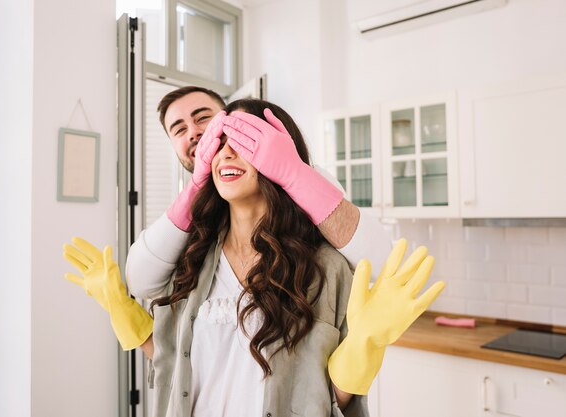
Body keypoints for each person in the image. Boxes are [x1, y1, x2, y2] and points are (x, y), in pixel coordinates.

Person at [64, 99, 445, 416]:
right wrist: (123, 313)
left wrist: (365, 346)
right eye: (221, 142)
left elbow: (324, 395)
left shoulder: (325, 268)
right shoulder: (191, 258)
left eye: (245, 142)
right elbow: (174, 360)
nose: (226, 151)